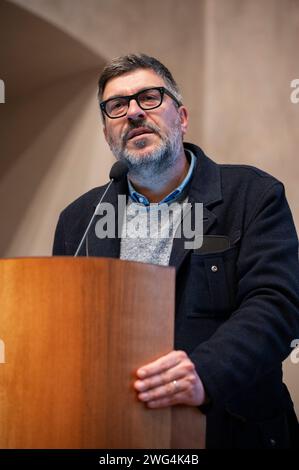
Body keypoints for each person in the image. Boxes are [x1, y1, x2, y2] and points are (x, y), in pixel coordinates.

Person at [53, 53, 299, 449]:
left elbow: (278, 304)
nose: (133, 113)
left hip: (231, 429)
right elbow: (64, 330)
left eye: (149, 98)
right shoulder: (79, 221)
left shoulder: (252, 195)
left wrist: (206, 372)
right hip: (114, 433)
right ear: (107, 134)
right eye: (116, 106)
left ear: (181, 118)